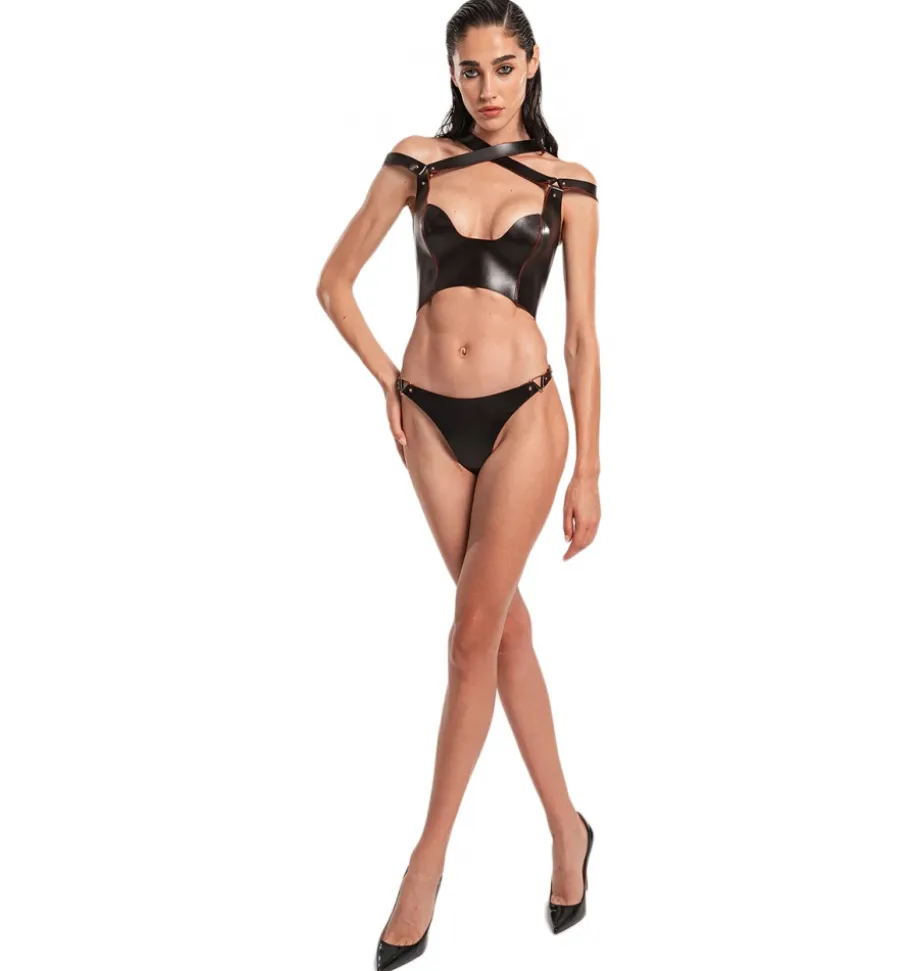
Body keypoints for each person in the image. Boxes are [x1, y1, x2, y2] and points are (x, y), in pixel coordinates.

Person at [315, 1, 601, 965]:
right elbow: (334, 282)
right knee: (503, 630)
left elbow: (581, 337)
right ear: (451, 73)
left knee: (471, 634)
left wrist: (590, 466)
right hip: (430, 425)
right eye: (470, 70)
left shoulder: (567, 182)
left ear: (533, 64)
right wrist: (387, 381)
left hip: (527, 417)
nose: (487, 88)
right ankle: (567, 828)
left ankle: (426, 860)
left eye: (503, 67)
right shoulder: (417, 162)